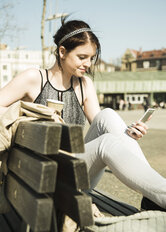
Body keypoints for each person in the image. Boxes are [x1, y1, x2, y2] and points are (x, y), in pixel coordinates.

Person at [0, 18, 166, 211]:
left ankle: (154, 196)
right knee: (107, 143)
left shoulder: (84, 84)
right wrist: (34, 116)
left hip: (74, 172)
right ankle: (159, 196)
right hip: (42, 178)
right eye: (82, 57)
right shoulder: (33, 78)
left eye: (91, 58)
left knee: (108, 115)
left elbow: (103, 125)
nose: (88, 63)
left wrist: (129, 133)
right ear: (62, 52)